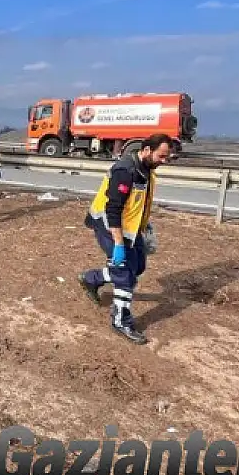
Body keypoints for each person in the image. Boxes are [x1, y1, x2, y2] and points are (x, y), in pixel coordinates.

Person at [78, 134, 173, 344]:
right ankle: (121, 321)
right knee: (125, 274)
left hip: (131, 228)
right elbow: (113, 210)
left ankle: (90, 279)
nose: (164, 161)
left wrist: (144, 224)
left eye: (167, 157)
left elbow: (138, 201)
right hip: (109, 226)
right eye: (162, 156)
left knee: (138, 266)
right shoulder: (125, 171)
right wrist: (118, 243)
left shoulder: (146, 169)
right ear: (147, 150)